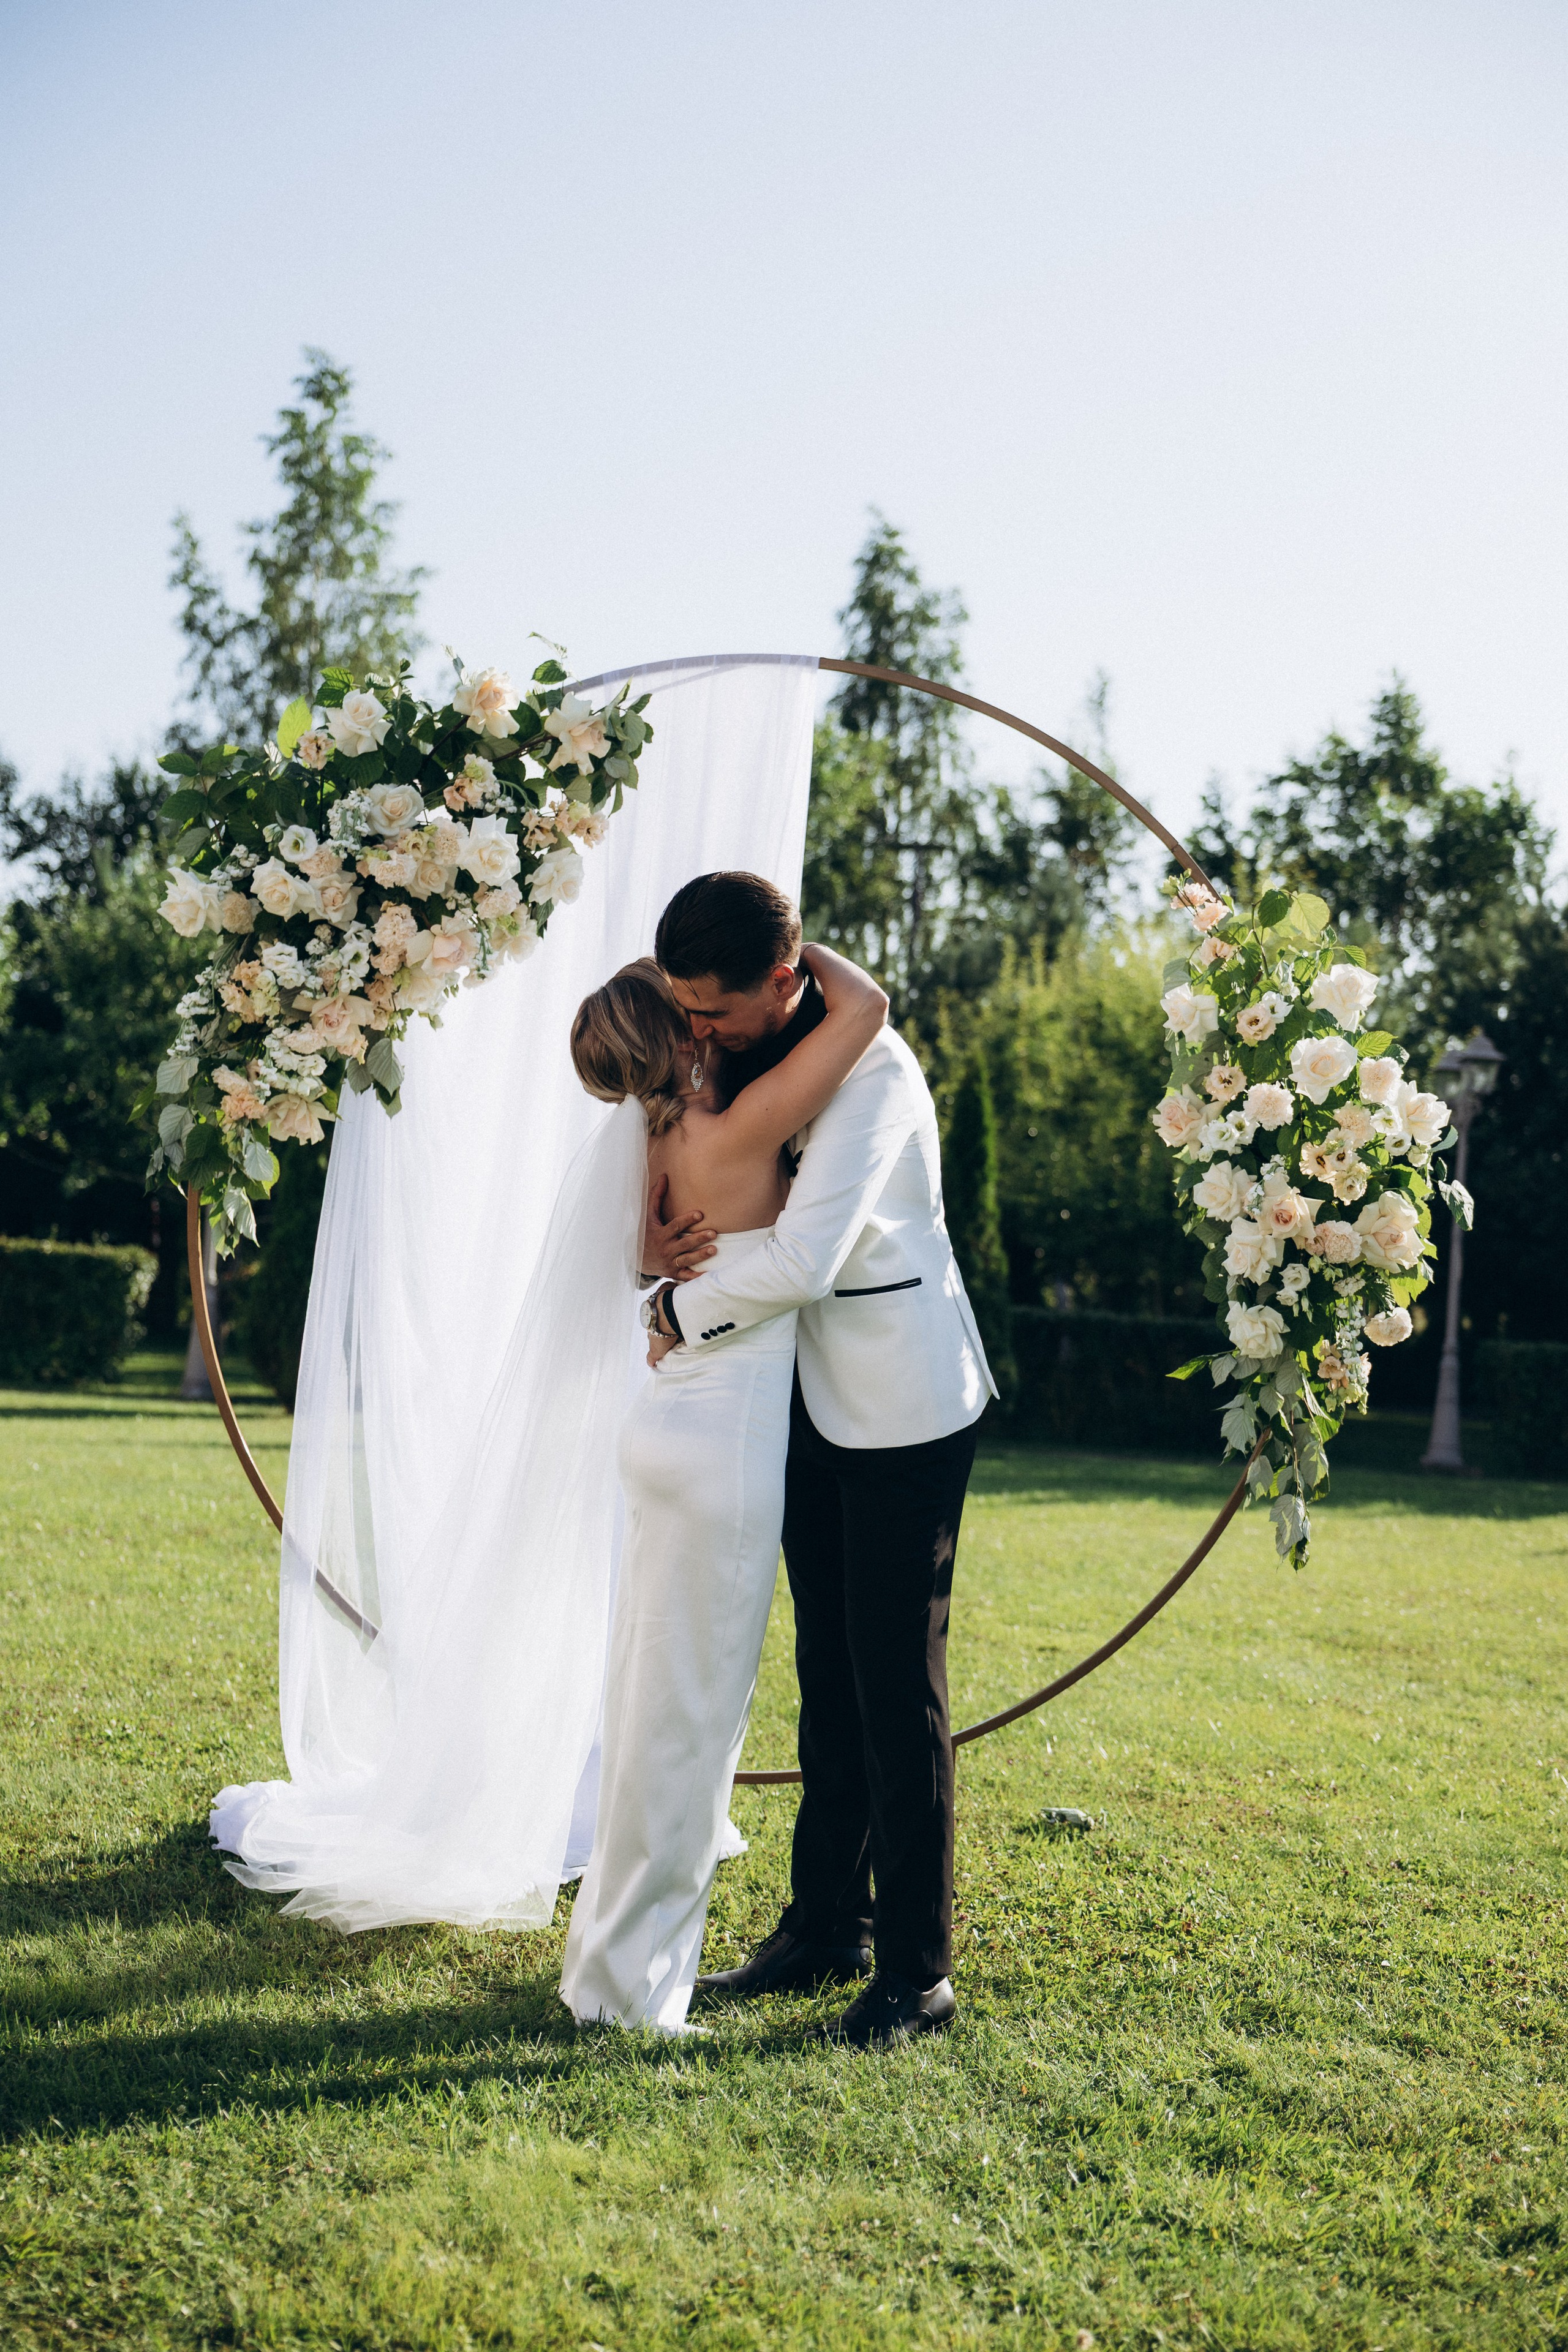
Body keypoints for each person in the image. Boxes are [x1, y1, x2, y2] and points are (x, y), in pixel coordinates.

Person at [640, 872, 995, 2049]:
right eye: (684, 1012)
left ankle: (919, 1973)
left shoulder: (876, 1073)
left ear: (785, 982)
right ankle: (824, 1925)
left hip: (905, 1402)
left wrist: (677, 1314)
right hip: (801, 1396)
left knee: (897, 1684)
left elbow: (801, 1258)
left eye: (713, 1013)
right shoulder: (750, 1047)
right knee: (828, 1671)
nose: (697, 1034)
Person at [559, 940, 889, 2035]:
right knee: (692, 1729)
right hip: (721, 1457)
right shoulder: (736, 1129)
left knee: (646, 1708)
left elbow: (632, 1259)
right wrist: (790, 947)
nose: (710, 1028)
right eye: (690, 1016)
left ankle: (604, 1973)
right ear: (679, 1038)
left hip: (658, 1430)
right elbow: (866, 1009)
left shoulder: (655, 1136)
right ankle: (635, 2001)